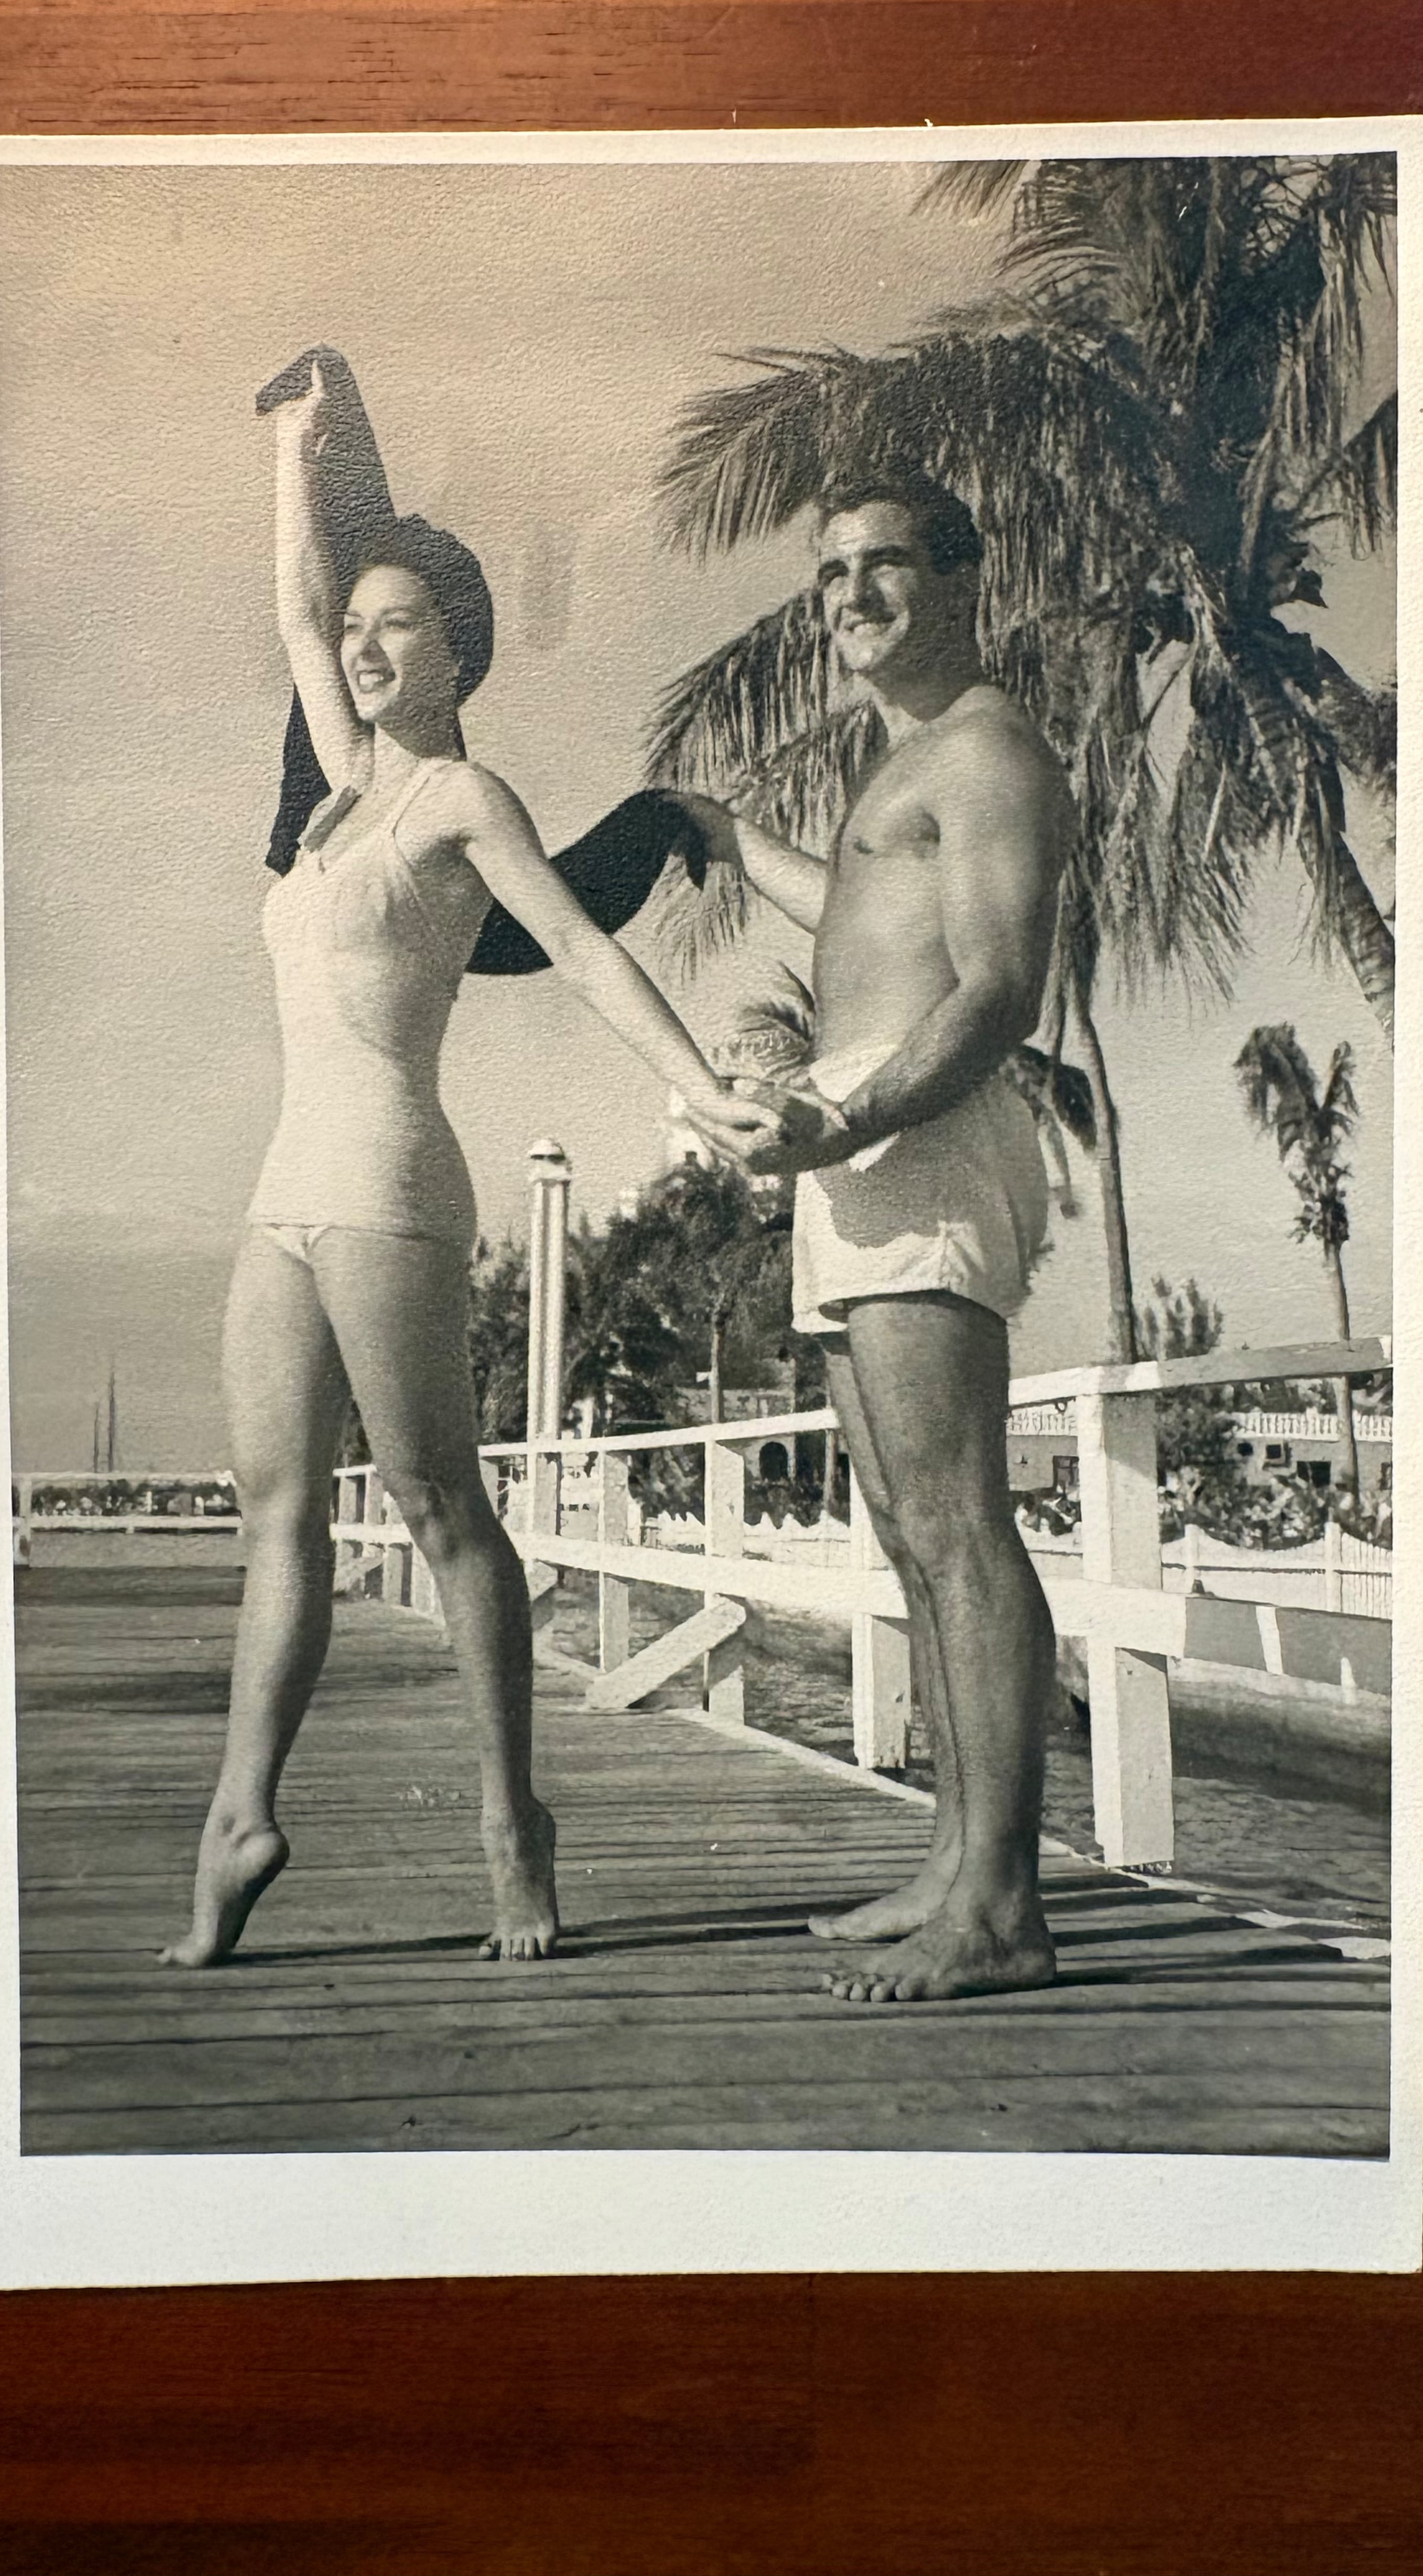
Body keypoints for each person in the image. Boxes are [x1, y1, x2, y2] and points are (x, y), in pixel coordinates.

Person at [162, 353, 780, 1971]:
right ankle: (243, 1820)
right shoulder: (337, 784)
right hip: (285, 1189)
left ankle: (515, 1823)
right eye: (359, 631)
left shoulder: (456, 797)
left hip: (386, 1181)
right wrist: (296, 446)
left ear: (458, 652)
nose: (364, 650)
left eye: (399, 629)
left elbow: (578, 949)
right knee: (276, 1511)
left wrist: (703, 1088)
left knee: (443, 1511)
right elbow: (295, 607)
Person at [680, 474, 1076, 2004]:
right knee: (911, 1533)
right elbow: (856, 920)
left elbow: (992, 995)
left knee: (962, 1525)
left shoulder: (985, 754)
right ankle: (953, 1865)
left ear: (965, 572)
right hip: (852, 1141)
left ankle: (1005, 1912)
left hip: (916, 1133)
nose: (851, 595)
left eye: (885, 564)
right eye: (831, 572)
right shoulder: (907, 766)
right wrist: (726, 840)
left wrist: (843, 1130)